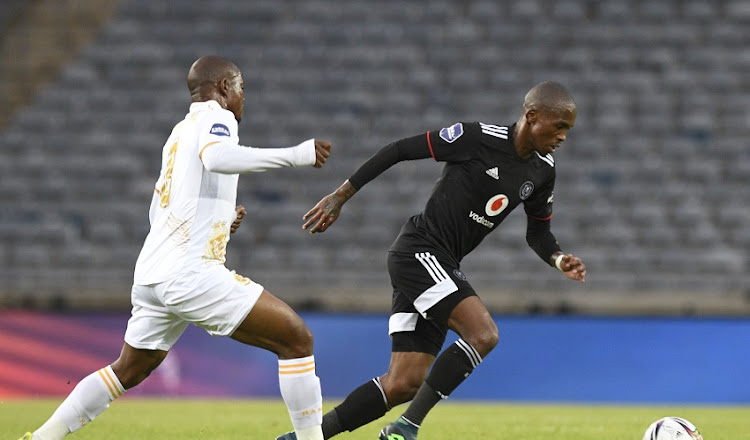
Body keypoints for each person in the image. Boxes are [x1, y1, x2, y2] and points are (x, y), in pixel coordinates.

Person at [19, 55, 332, 440]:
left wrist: (219, 223)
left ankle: (40, 438)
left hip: (153, 272)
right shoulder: (218, 118)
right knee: (296, 338)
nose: (243, 99)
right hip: (190, 273)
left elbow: (162, 209)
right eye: (241, 88)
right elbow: (217, 158)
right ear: (223, 88)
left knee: (128, 369)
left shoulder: (179, 132)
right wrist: (296, 154)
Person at [277, 81, 586, 440]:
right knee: (483, 334)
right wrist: (342, 195)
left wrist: (558, 258)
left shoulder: (542, 170)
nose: (563, 137)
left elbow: (538, 234)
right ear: (532, 116)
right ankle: (406, 428)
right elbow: (398, 150)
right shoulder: (475, 138)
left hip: (438, 261)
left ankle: (303, 439)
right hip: (419, 250)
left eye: (568, 130)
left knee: (403, 383)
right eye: (559, 126)